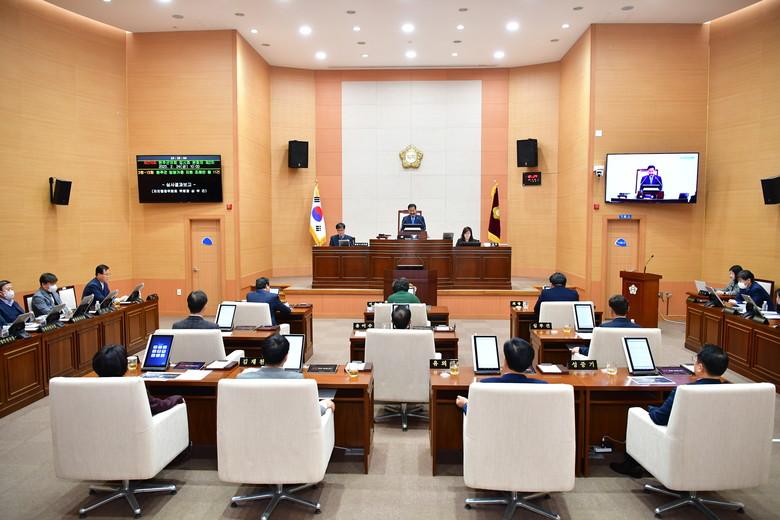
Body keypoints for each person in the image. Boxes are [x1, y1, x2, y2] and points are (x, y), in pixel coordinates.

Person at [610, 344, 727, 478]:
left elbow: (660, 418)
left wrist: (650, 408)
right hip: (713, 440)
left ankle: (631, 465)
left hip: (679, 438)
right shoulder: (731, 391)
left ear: (700, 367)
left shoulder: (684, 391)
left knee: (637, 413)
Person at [237, 335, 335, 414]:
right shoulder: (296, 380)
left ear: (262, 356)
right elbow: (310, 411)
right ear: (286, 357)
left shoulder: (242, 379)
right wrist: (325, 404)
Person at [456, 338, 547, 413]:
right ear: (529, 365)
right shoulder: (542, 387)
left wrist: (465, 404)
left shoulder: (485, 385)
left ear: (505, 361)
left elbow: (477, 414)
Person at [92, 344, 184, 415]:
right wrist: (177, 398)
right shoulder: (134, 385)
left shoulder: (89, 386)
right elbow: (158, 406)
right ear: (124, 365)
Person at [571, 294, 639, 356]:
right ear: (628, 309)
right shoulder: (638, 329)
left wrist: (580, 349)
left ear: (611, 311)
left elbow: (594, 351)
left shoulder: (603, 328)